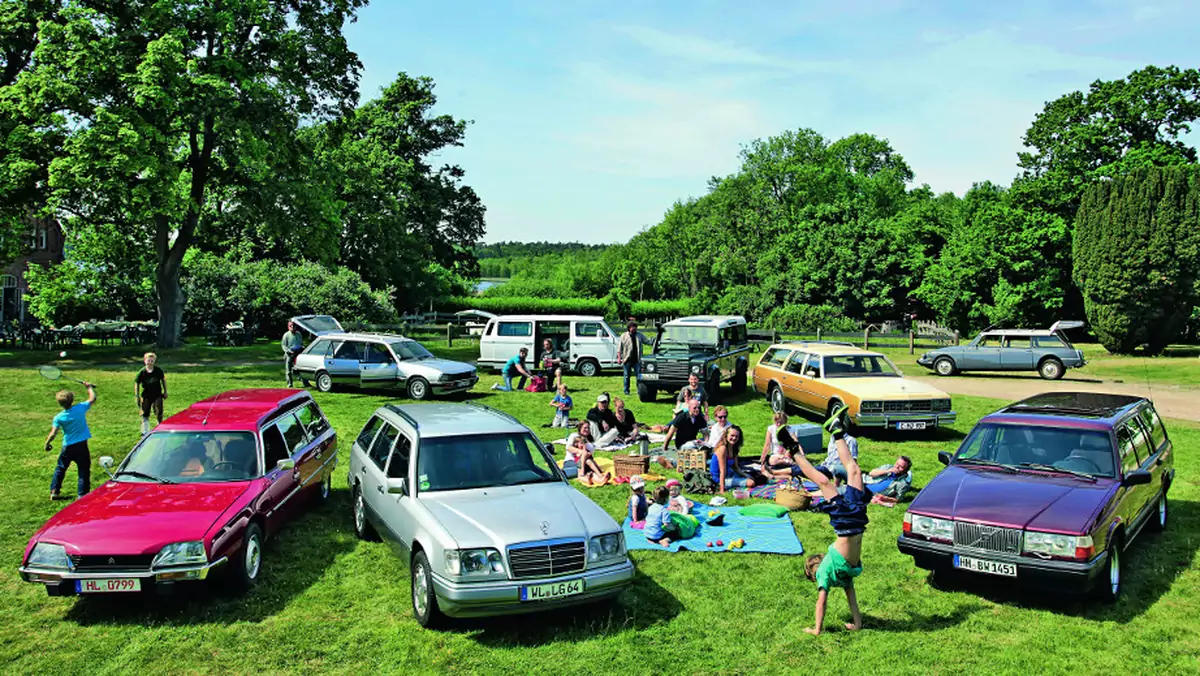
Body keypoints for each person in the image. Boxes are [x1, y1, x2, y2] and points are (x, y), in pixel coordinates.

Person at [779, 404, 869, 635]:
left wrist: (816, 629)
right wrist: (857, 623)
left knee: (824, 482)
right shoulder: (843, 577)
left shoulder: (824, 574)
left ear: (813, 572)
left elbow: (821, 602)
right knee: (855, 471)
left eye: (813, 567)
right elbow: (852, 599)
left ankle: (793, 450)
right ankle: (836, 430)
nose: (815, 566)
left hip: (846, 525)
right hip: (857, 519)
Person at [44, 382, 97, 500]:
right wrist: (89, 388)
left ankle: (54, 491)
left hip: (68, 446)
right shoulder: (80, 408)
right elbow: (92, 398)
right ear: (72, 400)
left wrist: (47, 443)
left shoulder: (58, 417)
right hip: (82, 445)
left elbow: (53, 433)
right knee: (83, 470)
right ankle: (82, 495)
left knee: (61, 468)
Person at [710, 425, 756, 494]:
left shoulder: (734, 448)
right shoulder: (723, 449)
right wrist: (722, 489)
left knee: (753, 475)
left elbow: (735, 467)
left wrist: (746, 475)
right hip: (719, 479)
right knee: (751, 483)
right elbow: (722, 471)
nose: (734, 438)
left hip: (730, 473)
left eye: (736, 436)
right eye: (732, 435)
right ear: (726, 435)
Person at [134, 351, 168, 436]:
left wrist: (165, 391)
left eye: (152, 361)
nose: (150, 362)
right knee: (145, 413)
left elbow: (163, 380)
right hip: (146, 395)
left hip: (157, 394)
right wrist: (137, 396)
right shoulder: (142, 372)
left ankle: (159, 428)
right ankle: (145, 431)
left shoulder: (158, 370)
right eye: (148, 360)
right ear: (145, 361)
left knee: (159, 411)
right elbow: (137, 383)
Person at [617, 321, 644, 396]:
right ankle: (626, 391)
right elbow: (619, 348)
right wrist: (619, 358)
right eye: (633, 327)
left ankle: (639, 391)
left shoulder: (640, 335)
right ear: (629, 328)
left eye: (635, 327)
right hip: (627, 360)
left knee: (639, 376)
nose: (634, 329)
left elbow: (647, 341)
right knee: (626, 376)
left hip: (637, 360)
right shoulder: (623, 336)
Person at [282, 320, 304, 387]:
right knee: (288, 371)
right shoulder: (286, 335)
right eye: (290, 326)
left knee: (300, 369)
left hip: (298, 354)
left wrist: (302, 347)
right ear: (288, 327)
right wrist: (288, 351)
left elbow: (301, 343)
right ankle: (289, 384)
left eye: (293, 326)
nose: (292, 327)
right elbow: (283, 345)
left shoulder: (299, 334)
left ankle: (305, 382)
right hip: (289, 354)